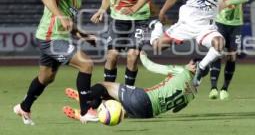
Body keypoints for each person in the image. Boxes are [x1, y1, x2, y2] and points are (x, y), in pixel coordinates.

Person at [13, 0, 98, 125]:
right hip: (51, 38)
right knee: (86, 64)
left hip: (54, 38)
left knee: (46, 78)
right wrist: (60, 16)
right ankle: (86, 111)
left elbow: (69, 23)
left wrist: (84, 35)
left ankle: (24, 107)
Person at [63, 51, 197, 120]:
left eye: (192, 63)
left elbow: (151, 66)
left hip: (143, 97)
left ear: (194, 68)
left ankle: (84, 101)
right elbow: (176, 110)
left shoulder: (182, 71)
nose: (189, 63)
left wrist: (143, 55)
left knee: (103, 86)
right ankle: (91, 109)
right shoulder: (193, 94)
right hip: (149, 114)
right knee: (116, 112)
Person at [208, 0, 250, 100]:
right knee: (216, 52)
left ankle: (225, 88)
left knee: (231, 56)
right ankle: (213, 88)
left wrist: (227, 3)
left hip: (236, 22)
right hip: (219, 21)